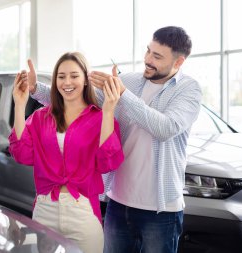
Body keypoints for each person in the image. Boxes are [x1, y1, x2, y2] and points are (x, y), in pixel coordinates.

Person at [27, 26, 202, 253]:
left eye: (157, 56)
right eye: (148, 51)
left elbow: (166, 128)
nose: (148, 59)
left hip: (161, 210)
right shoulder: (129, 81)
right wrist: (34, 89)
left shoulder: (188, 89)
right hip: (118, 203)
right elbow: (79, 98)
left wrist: (122, 95)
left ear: (178, 63)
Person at [8, 52, 124, 253]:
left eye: (74, 75)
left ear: (86, 79)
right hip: (45, 209)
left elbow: (108, 163)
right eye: (61, 77)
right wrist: (20, 104)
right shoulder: (40, 117)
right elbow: (21, 154)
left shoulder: (100, 117)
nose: (67, 82)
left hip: (83, 212)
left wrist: (108, 111)